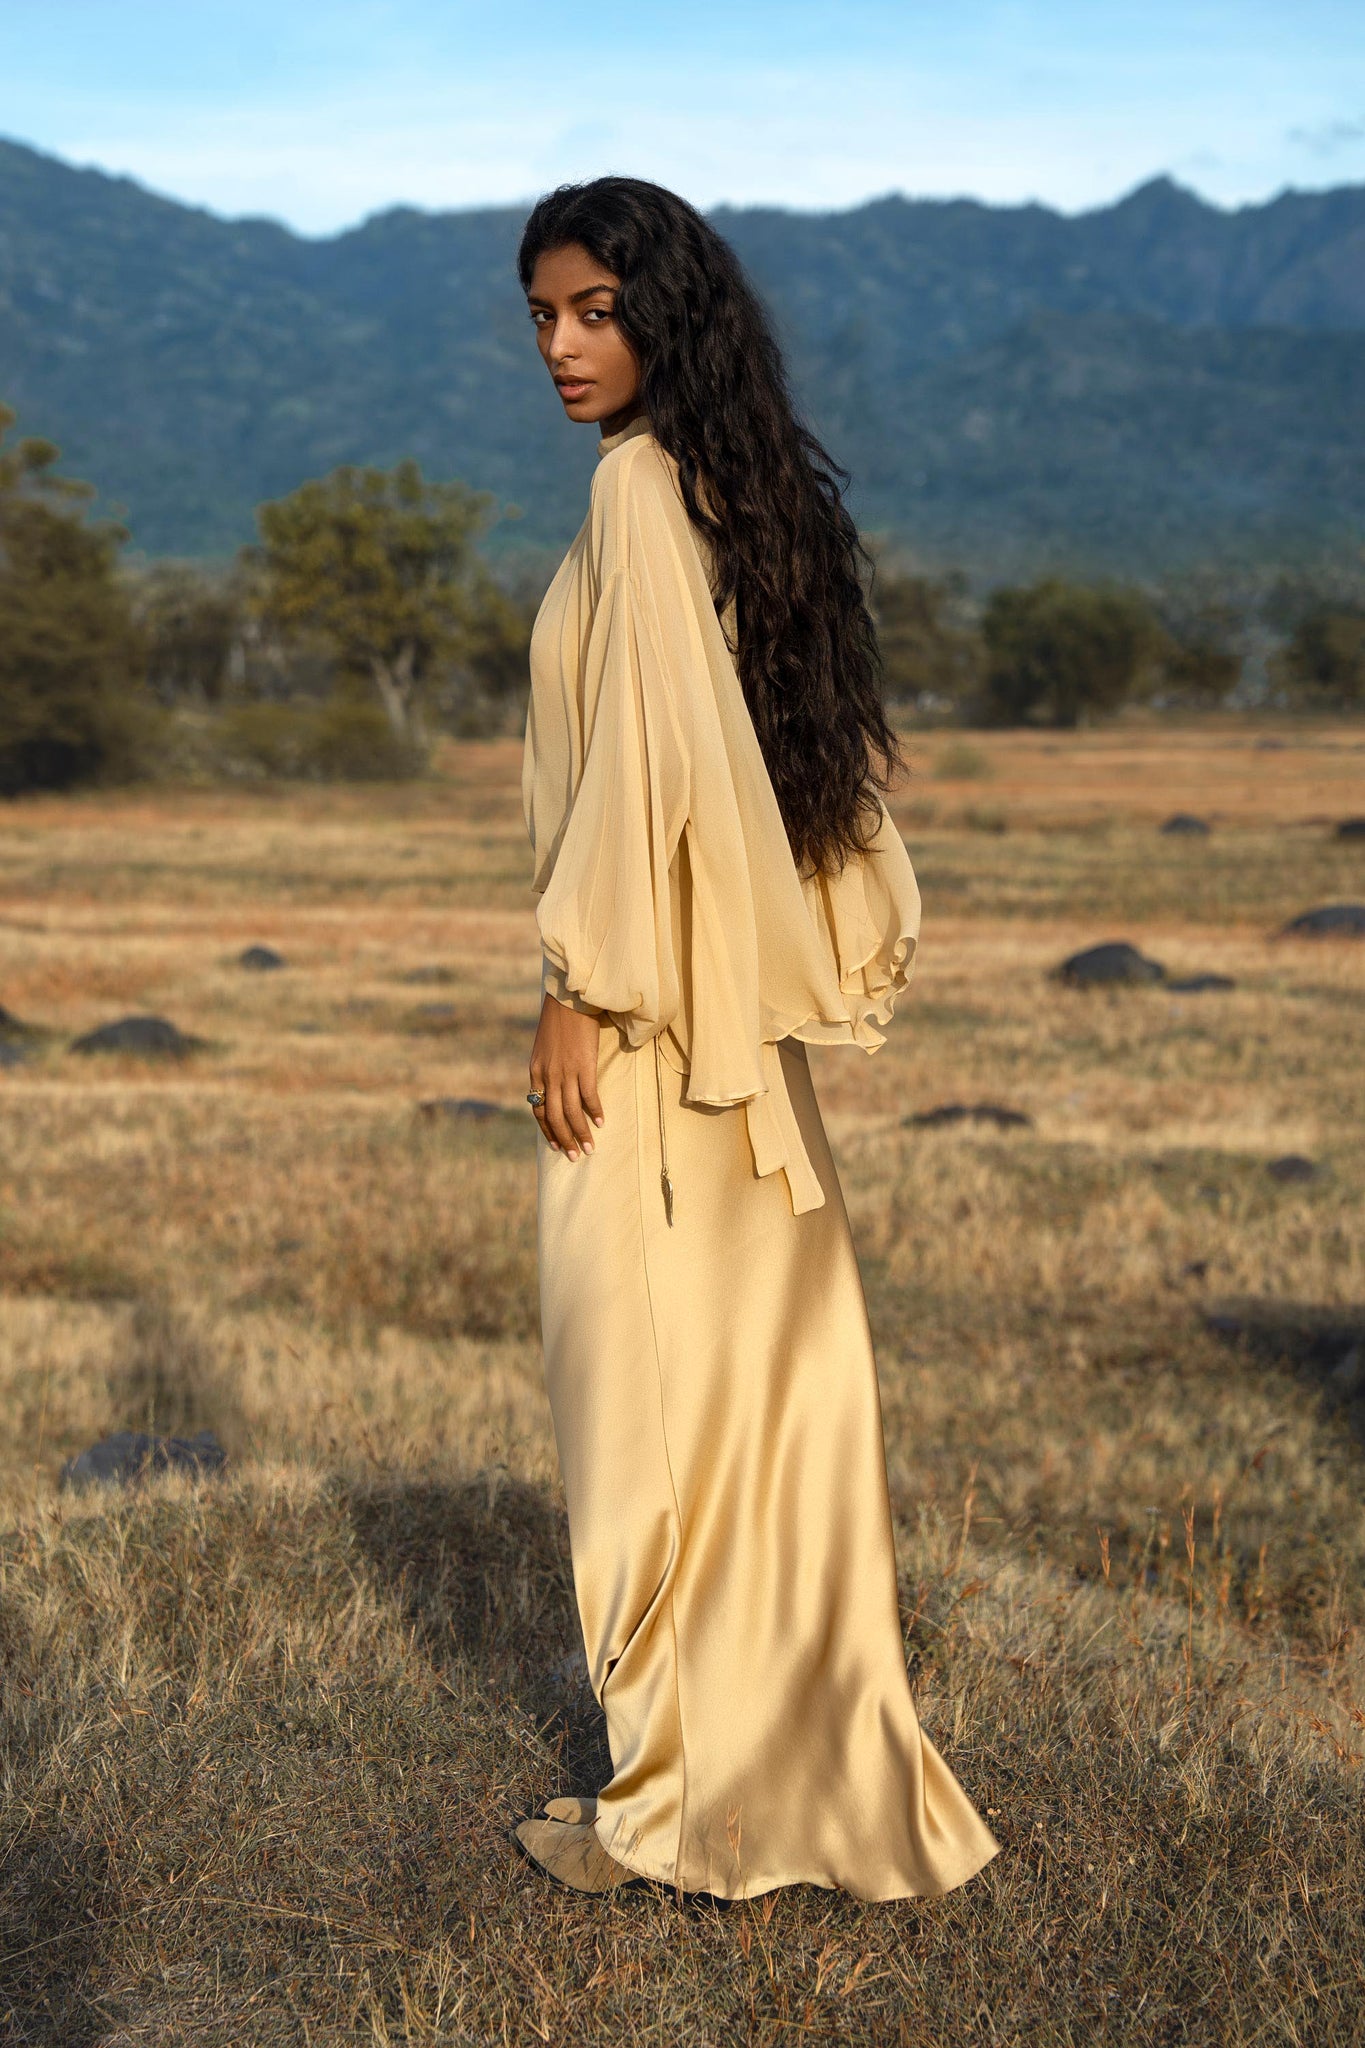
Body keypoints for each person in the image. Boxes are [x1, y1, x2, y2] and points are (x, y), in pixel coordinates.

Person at [514, 176, 1001, 1901]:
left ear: (665, 309)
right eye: (544, 319)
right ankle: (757, 1776)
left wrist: (577, 984)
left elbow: (654, 776)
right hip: (735, 1054)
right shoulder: (733, 484)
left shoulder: (641, 493)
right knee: (749, 1419)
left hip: (654, 1043)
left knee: (647, 1429)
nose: (566, 348)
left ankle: (681, 1802)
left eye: (594, 310)